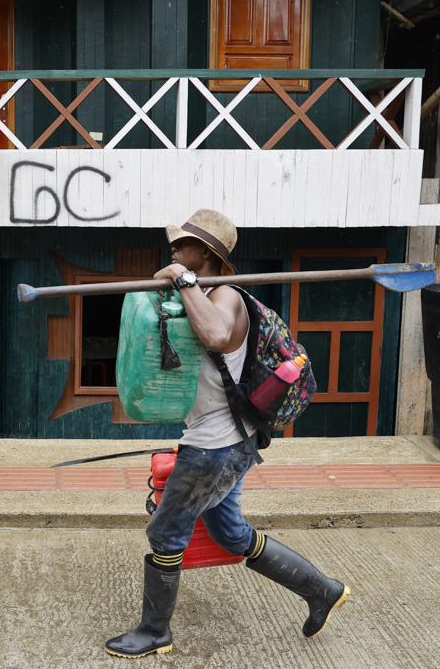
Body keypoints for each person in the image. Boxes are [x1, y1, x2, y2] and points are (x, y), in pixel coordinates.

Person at [104, 208, 350, 659]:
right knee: (232, 534)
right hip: (227, 439)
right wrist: (179, 286)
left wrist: (182, 279)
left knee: (165, 532)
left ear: (205, 252)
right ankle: (322, 590)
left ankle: (155, 631)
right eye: (175, 245)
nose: (174, 250)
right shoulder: (203, 294)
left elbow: (216, 336)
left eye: (183, 245)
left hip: (215, 445)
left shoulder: (227, 297)